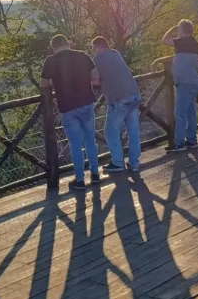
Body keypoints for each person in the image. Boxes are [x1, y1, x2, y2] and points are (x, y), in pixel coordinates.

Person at [40, 34, 100, 191]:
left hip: (67, 106)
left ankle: (79, 180)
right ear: (68, 43)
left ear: (53, 47)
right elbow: (95, 75)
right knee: (90, 141)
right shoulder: (82, 55)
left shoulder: (51, 60)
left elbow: (44, 84)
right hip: (87, 102)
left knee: (75, 145)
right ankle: (95, 175)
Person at [91, 36, 142, 174]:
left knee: (110, 131)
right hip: (134, 94)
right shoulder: (116, 54)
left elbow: (95, 80)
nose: (93, 51)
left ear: (98, 47)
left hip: (119, 99)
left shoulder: (98, 59)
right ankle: (134, 163)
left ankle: (118, 162)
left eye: (93, 48)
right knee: (133, 131)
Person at [162, 20, 198, 153]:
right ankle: (192, 140)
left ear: (181, 30)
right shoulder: (194, 43)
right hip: (194, 81)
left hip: (185, 83)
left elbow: (164, 40)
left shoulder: (182, 42)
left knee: (179, 113)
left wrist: (171, 29)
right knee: (190, 111)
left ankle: (179, 143)